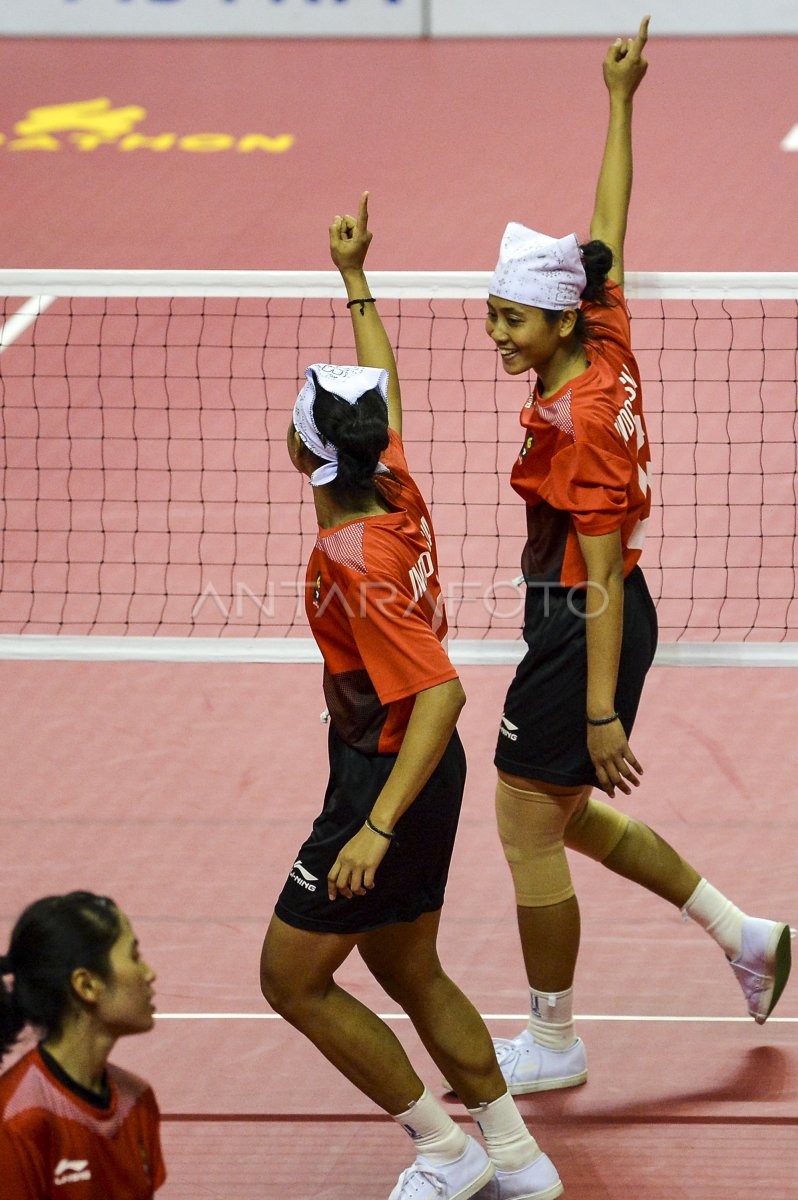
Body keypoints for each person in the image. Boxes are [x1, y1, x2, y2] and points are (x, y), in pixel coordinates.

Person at [483, 16, 793, 1096]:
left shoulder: (580, 420)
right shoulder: (598, 326)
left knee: (525, 815)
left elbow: (604, 574)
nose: (498, 334)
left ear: (558, 324)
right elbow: (606, 223)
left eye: (512, 319)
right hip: (579, 609)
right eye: (494, 314)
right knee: (562, 813)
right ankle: (745, 934)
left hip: (586, 619)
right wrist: (621, 100)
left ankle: (554, 1039)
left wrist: (603, 707)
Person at [260, 193, 562, 1200]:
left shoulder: (353, 551)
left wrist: (373, 829)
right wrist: (356, 281)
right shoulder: (387, 480)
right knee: (407, 967)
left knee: (291, 978)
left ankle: (446, 1149)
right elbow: (378, 392)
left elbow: (441, 695)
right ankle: (518, 1159)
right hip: (407, 771)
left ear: (308, 454)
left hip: (388, 775)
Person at [0, 891, 164, 1198]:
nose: (149, 974)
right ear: (86, 985)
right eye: (133, 956)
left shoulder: (138, 1101)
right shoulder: (15, 1122)